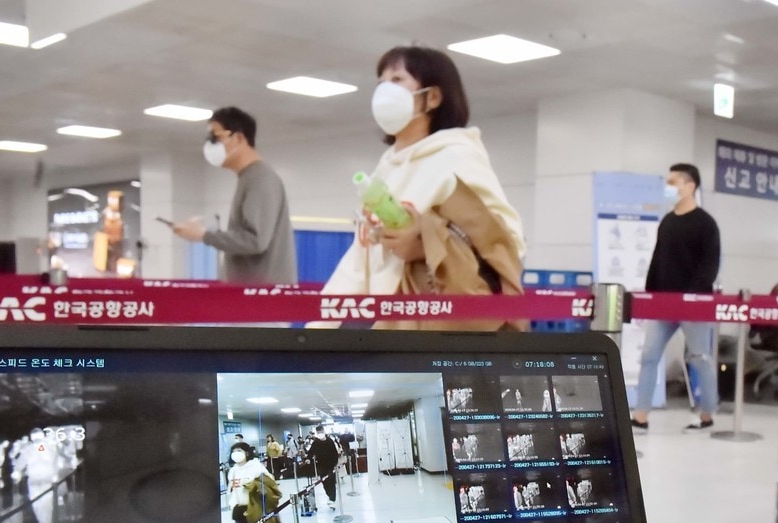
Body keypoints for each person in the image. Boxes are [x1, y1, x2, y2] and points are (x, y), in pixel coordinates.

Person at [322, 45, 525, 331]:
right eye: (380, 83)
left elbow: (506, 242)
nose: (383, 91)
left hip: (428, 328)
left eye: (396, 80)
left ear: (432, 97)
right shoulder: (387, 165)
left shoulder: (457, 156)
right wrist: (325, 319)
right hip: (376, 319)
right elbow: (363, 252)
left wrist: (426, 244)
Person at [631, 164, 723, 433]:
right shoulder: (668, 221)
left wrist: (691, 296)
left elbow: (709, 265)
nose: (668, 187)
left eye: (674, 182)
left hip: (694, 304)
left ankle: (708, 413)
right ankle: (641, 414)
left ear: (690, 185)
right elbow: (657, 260)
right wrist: (650, 296)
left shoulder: (706, 223)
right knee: (649, 355)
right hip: (663, 304)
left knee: (699, 357)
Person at [172, 106, 297, 285]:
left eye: (215, 138)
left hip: (262, 301)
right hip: (251, 297)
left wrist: (203, 235)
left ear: (238, 138)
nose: (210, 145)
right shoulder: (249, 178)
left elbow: (255, 240)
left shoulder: (261, 179)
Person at [225, 442, 269, 523]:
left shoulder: (256, 467)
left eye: (239, 451)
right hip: (239, 509)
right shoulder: (233, 471)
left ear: (247, 453)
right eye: (234, 451)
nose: (236, 453)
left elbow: (269, 482)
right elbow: (231, 490)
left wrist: (253, 485)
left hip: (256, 508)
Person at [308, 426, 343, 508]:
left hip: (330, 466)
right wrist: (308, 459)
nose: (320, 433)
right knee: (324, 483)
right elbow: (310, 452)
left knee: (331, 482)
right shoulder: (316, 442)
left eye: (321, 431)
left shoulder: (330, 441)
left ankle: (332, 499)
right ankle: (329, 495)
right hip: (321, 466)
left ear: (323, 431)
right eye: (318, 432)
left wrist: (335, 464)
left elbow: (334, 453)